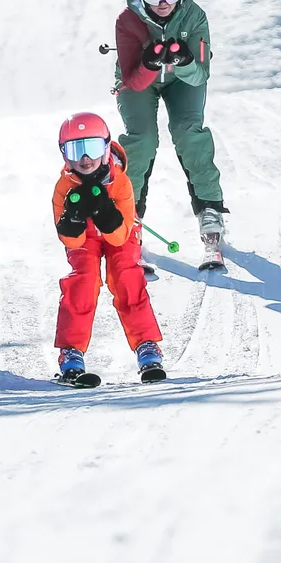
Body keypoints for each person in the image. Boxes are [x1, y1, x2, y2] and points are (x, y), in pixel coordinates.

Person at [114, 0, 227, 269]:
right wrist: (151, 62)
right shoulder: (129, 21)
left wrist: (184, 61)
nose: (163, 1)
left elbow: (201, 74)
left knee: (190, 134)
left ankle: (210, 213)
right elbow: (133, 81)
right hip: (141, 80)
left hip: (182, 79)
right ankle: (129, 220)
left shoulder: (193, 16)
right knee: (141, 140)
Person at [53, 112, 165, 383]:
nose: (85, 159)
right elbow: (71, 242)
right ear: (64, 155)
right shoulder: (64, 187)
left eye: (91, 148)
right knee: (83, 279)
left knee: (126, 275)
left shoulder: (120, 181)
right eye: (75, 150)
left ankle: (146, 345)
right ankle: (71, 352)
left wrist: (105, 213)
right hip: (86, 237)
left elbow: (119, 237)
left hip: (120, 232)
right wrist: (74, 219)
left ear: (105, 149)